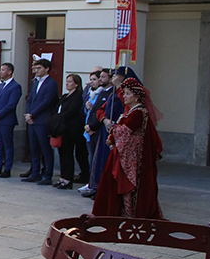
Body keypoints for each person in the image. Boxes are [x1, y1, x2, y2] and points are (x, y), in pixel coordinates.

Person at [92, 77, 163, 218]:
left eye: (127, 94)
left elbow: (123, 132)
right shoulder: (131, 112)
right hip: (123, 155)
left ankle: (130, 214)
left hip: (132, 159)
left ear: (136, 97)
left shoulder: (138, 112)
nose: (124, 96)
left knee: (127, 186)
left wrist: (113, 133)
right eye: (124, 93)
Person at [82, 66, 133, 198]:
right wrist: (104, 119)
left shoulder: (124, 94)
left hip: (119, 133)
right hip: (107, 131)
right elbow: (101, 110)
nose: (114, 78)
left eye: (116, 75)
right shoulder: (112, 93)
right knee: (101, 160)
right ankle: (98, 188)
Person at [22, 58, 59, 184]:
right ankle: (35, 172)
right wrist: (28, 114)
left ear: (47, 69)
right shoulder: (35, 83)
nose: (36, 71)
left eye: (39, 68)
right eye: (35, 68)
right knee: (34, 148)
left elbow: (46, 102)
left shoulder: (51, 83)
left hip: (42, 120)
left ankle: (47, 175)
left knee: (45, 148)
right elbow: (30, 99)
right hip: (32, 120)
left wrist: (33, 114)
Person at [54, 73, 91, 190]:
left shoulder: (77, 96)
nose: (67, 83)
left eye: (70, 81)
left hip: (71, 129)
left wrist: (59, 117)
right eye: (66, 81)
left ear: (76, 84)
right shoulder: (65, 96)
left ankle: (68, 179)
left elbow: (71, 111)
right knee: (62, 153)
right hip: (61, 128)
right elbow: (57, 108)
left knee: (68, 153)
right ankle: (62, 177)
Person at [0, 63, 22, 178]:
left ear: (9, 72)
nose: (1, 72)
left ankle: (7, 168)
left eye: (3, 70)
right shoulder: (0, 86)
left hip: (6, 120)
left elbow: (11, 104)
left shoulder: (15, 86)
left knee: (8, 145)